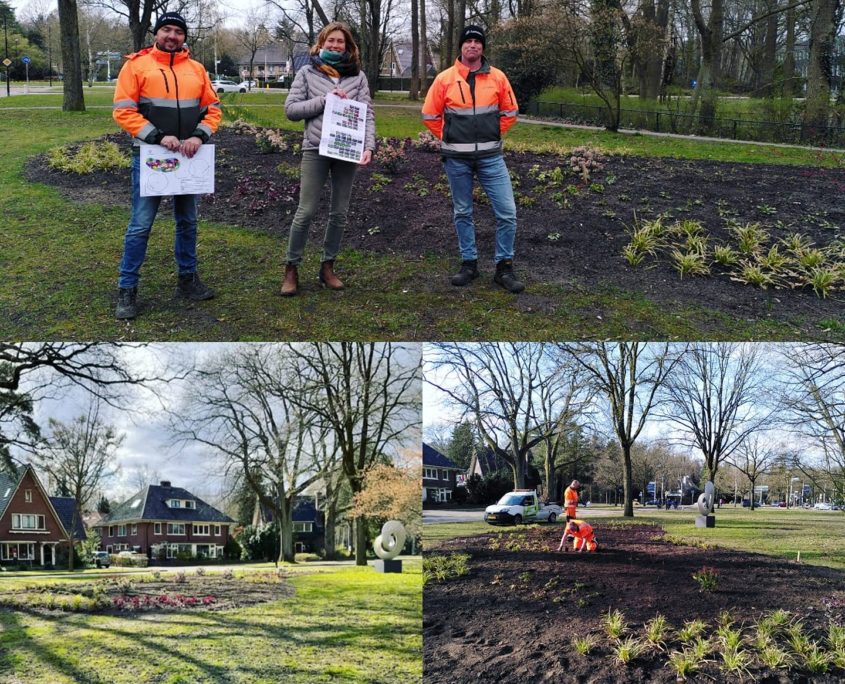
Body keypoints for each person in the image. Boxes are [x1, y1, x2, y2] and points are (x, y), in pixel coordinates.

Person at [112, 12, 222, 319]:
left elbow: (212, 110)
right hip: (151, 157)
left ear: (184, 37)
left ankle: (187, 280)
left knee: (187, 221)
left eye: (178, 31)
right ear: (156, 33)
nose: (172, 35)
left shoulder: (197, 69)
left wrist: (200, 136)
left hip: (189, 157)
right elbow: (124, 111)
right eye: (166, 29)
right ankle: (127, 289)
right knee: (140, 225)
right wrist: (158, 137)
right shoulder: (136, 66)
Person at [422, 25, 524, 293]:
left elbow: (511, 111)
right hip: (457, 159)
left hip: (491, 157)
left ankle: (504, 267)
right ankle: (469, 264)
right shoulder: (444, 79)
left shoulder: (498, 78)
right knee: (463, 212)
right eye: (467, 41)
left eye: (477, 41)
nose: (472, 45)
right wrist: (450, 136)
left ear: (483, 48)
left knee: (507, 213)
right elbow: (429, 115)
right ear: (460, 47)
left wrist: (491, 133)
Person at [281, 22, 375, 296]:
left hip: (347, 150)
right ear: (321, 44)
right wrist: (325, 99)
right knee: (306, 211)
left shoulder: (358, 77)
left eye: (340, 42)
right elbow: (291, 110)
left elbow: (368, 113)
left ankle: (327, 267)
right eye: (330, 41)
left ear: (348, 46)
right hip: (315, 149)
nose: (335, 45)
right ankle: (291, 268)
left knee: (339, 213)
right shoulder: (307, 72)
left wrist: (368, 145)